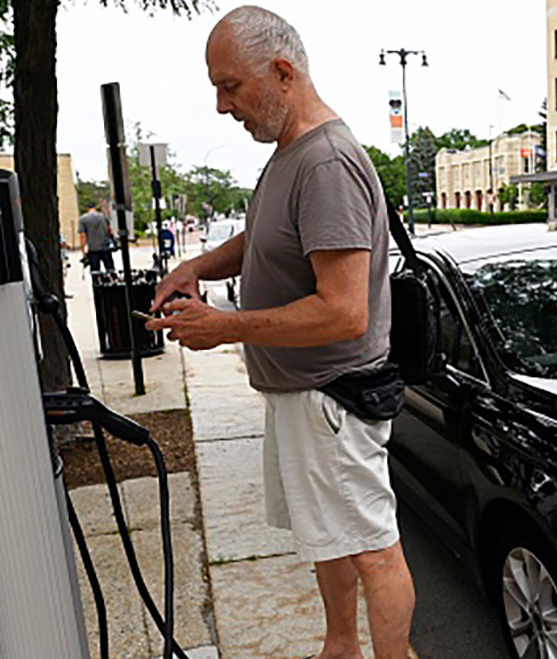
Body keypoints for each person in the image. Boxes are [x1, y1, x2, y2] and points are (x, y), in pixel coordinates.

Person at [146, 7, 415, 659]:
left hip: (334, 398)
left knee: (374, 548)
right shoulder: (290, 154)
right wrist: (196, 265)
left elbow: (343, 310)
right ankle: (340, 645)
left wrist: (224, 327)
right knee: (332, 535)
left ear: (283, 71)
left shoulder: (325, 161)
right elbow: (264, 239)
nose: (220, 105)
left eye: (230, 85)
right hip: (307, 396)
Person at [78, 201, 115, 273]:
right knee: (110, 269)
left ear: (87, 209)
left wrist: (83, 251)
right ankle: (112, 281)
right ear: (95, 208)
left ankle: (96, 282)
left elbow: (83, 236)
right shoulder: (103, 217)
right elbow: (110, 230)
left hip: (93, 248)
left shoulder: (82, 219)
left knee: (95, 271)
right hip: (105, 247)